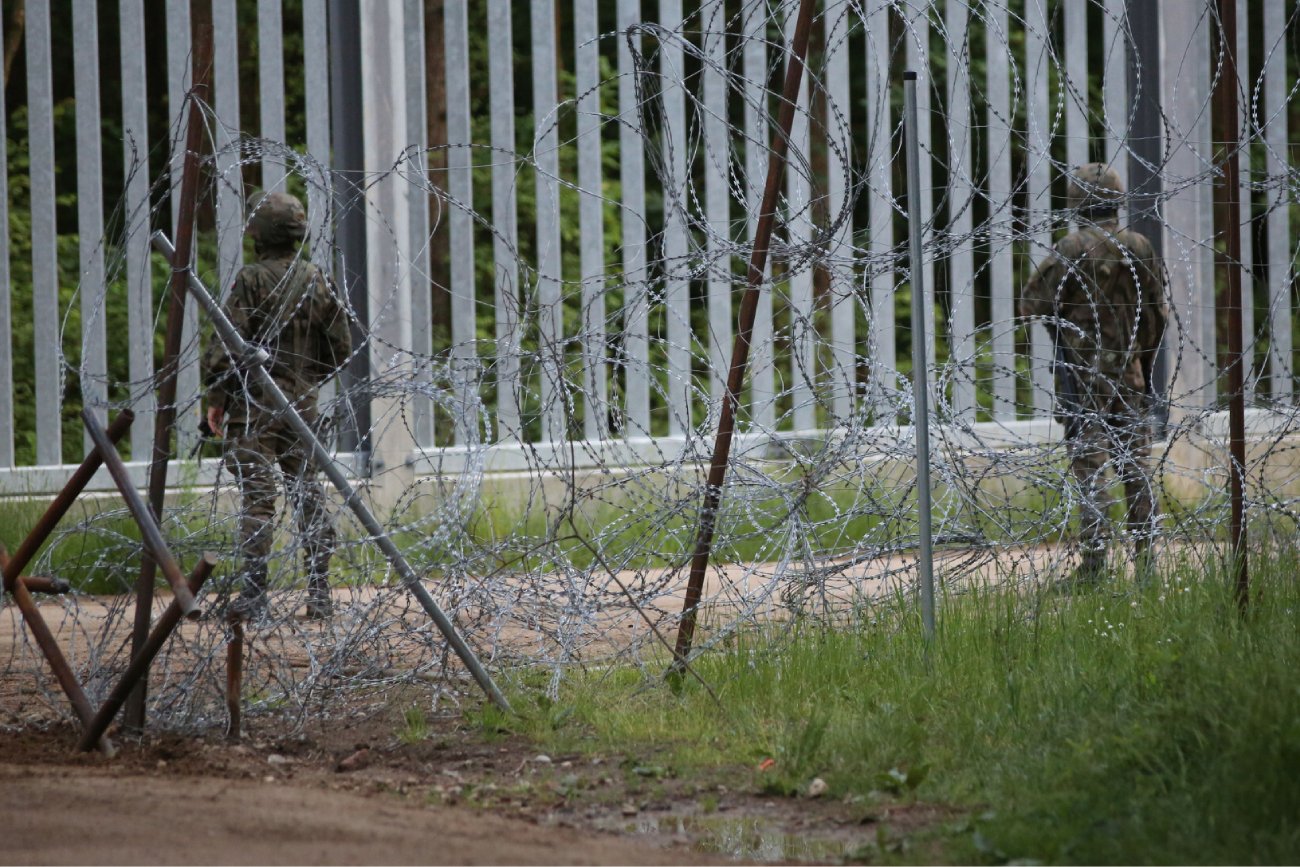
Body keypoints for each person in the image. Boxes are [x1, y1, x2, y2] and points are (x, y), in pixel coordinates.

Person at [202, 191, 352, 621]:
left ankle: (255, 594)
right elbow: (341, 346)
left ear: (259, 235)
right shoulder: (316, 279)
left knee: (258, 499)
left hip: (255, 406)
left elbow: (227, 348)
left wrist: (218, 398)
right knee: (307, 493)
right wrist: (306, 380)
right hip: (301, 406)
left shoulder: (250, 280)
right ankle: (319, 593)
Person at [1019, 163, 1167, 588]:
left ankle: (1096, 563)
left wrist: (1066, 329)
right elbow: (1156, 314)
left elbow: (1032, 304)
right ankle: (1147, 564)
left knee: (1090, 467)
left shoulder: (1072, 247)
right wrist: (1141, 358)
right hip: (1129, 372)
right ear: (1117, 200)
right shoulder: (1139, 246)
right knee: (1134, 464)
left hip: (1084, 375)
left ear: (1076, 203)